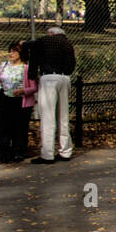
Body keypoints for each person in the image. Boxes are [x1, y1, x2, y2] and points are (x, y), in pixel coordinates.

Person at [26, 25, 76, 163]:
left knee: (48, 116)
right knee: (63, 116)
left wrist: (32, 75)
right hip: (64, 78)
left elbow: (33, 55)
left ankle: (47, 154)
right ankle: (65, 151)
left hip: (48, 78)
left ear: (51, 34)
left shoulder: (44, 42)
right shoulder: (67, 44)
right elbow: (72, 65)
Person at [0, 40, 37, 163]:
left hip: (20, 101)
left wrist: (23, 91)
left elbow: (34, 87)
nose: (11, 54)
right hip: (5, 100)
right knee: (3, 128)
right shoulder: (3, 66)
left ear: (21, 53)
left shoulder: (26, 68)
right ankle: (0, 153)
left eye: (14, 51)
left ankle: (18, 152)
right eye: (10, 51)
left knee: (19, 128)